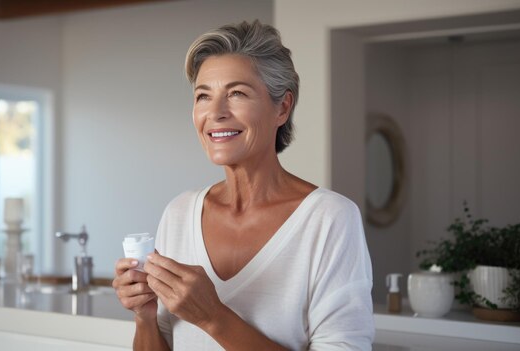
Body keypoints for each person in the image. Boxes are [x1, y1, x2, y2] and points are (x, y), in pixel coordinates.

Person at [113, 20, 374, 350]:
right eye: (203, 96)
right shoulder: (178, 214)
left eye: (236, 93)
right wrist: (144, 315)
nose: (216, 113)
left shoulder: (330, 219)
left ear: (282, 107)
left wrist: (213, 317)